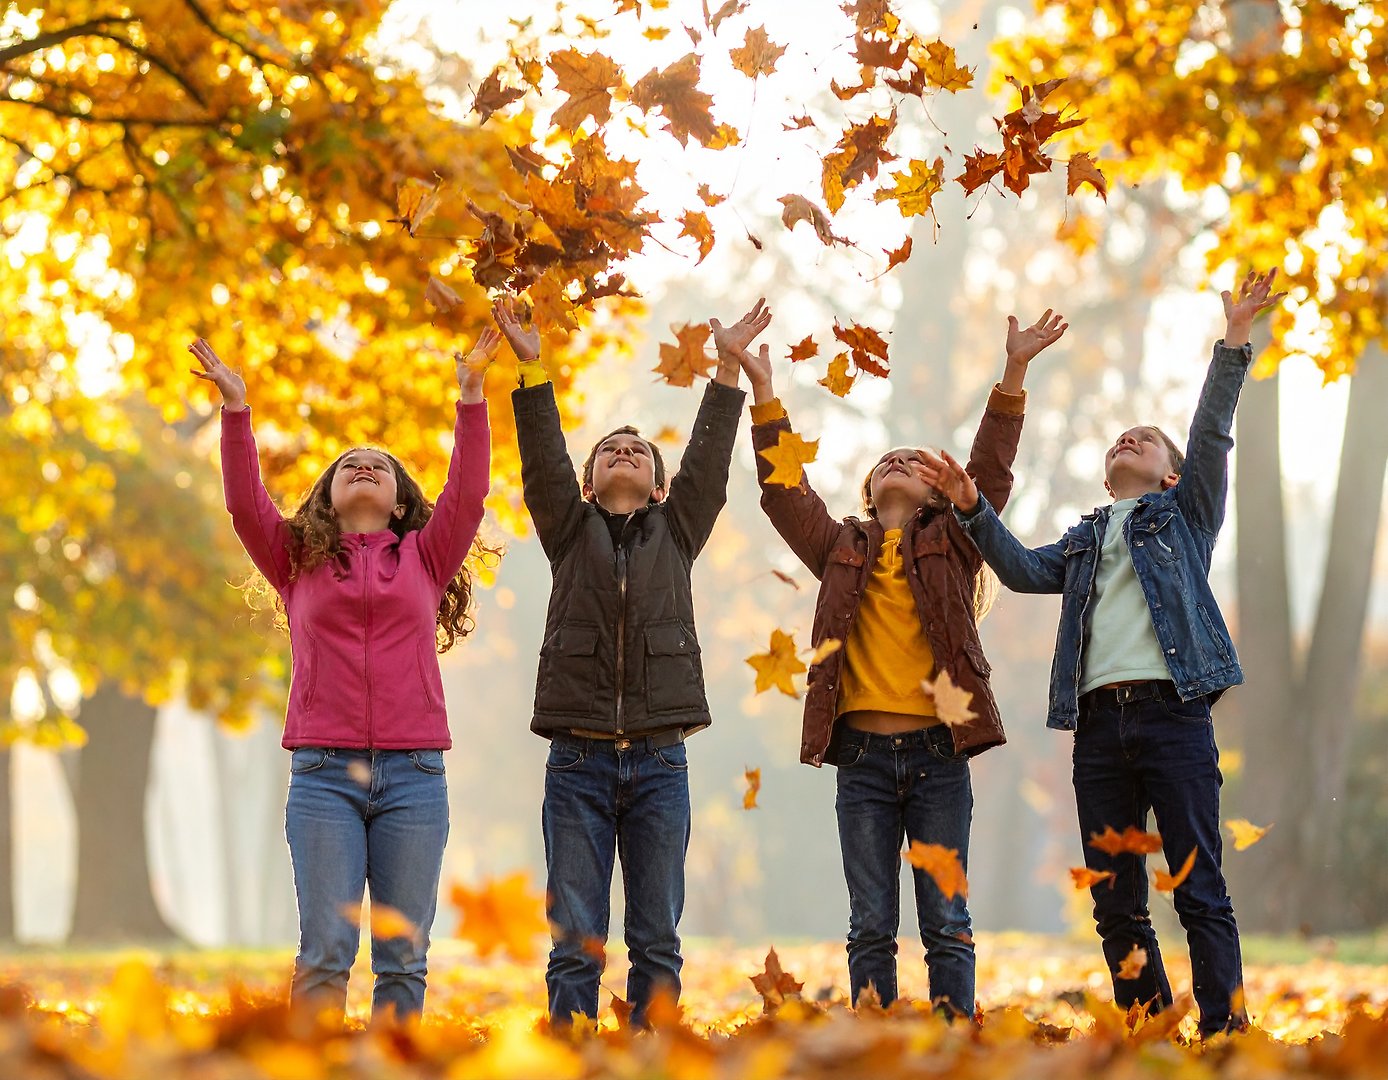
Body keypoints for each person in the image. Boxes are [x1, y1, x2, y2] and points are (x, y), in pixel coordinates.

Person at [920, 269, 1284, 1037]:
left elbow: (1214, 432)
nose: (1129, 439)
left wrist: (1234, 342)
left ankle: (1225, 1036)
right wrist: (971, 508)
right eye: (1122, 438)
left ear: (1171, 473)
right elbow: (1018, 569)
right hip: (1097, 733)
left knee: (1198, 890)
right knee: (1116, 903)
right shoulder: (1085, 540)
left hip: (1173, 721)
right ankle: (1150, 1030)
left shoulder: (1184, 518)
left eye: (1146, 440)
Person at [741, 311, 1068, 1016]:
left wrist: (1014, 373)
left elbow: (991, 475)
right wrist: (764, 392)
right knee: (870, 925)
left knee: (946, 921)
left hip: (937, 757)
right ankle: (876, 1040)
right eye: (886, 458)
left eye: (915, 460)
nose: (897, 460)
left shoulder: (953, 543)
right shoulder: (838, 547)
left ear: (938, 490)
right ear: (867, 488)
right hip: (860, 758)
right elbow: (782, 492)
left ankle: (954, 1040)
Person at [189, 331, 496, 1022]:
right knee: (326, 950)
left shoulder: (425, 555)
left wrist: (470, 396)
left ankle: (395, 1067)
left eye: (379, 467)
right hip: (323, 773)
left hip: (414, 776)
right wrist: (237, 413)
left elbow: (469, 494)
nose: (363, 466)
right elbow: (244, 507)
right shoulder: (295, 559)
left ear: (397, 501)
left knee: (403, 956)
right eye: (349, 464)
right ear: (327, 494)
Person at [491, 298, 768, 1029]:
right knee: (575, 940)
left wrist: (727, 371)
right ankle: (573, 1047)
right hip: (576, 762)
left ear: (658, 486)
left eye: (638, 451)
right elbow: (544, 458)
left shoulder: (677, 532)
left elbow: (709, 466)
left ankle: (656, 1050)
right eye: (609, 449)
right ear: (585, 485)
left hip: (659, 761)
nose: (624, 451)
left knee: (656, 938)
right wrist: (531, 369)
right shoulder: (567, 529)